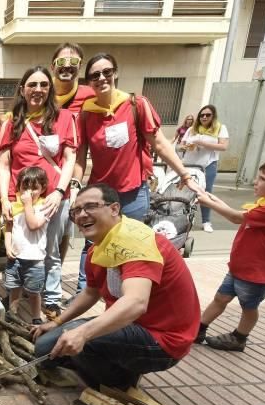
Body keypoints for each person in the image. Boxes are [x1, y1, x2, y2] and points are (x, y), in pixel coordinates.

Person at [32, 184, 200, 405]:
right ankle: (120, 365)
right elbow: (91, 292)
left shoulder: (136, 242)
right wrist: (57, 322)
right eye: (76, 211)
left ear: (114, 209)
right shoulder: (99, 249)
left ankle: (115, 388)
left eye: (91, 206)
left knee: (84, 340)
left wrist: (83, 332)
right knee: (45, 348)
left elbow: (136, 302)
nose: (82, 215)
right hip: (132, 327)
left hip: (164, 340)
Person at [73, 53, 203, 293]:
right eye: (95, 75)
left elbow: (161, 144)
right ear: (89, 82)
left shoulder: (135, 104)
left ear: (115, 73)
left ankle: (126, 295)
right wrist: (74, 185)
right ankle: (85, 292)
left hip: (133, 192)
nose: (101, 78)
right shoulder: (86, 113)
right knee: (93, 246)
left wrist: (185, 175)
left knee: (130, 247)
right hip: (100, 196)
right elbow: (80, 155)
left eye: (107, 72)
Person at [0, 65, 77, 319]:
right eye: (32, 85)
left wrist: (59, 191)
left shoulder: (64, 118)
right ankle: (16, 294)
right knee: (18, 248)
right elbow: (4, 164)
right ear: (22, 89)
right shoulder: (11, 122)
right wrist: (4, 199)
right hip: (20, 200)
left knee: (50, 251)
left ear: (50, 89)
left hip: (53, 199)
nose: (38, 90)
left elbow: (69, 157)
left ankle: (51, 299)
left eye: (44, 85)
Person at [194, 161, 265, 352]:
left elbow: (236, 217)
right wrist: (210, 197)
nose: (255, 182)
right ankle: (198, 329)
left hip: (256, 274)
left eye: (262, 179)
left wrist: (208, 202)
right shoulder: (262, 205)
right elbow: (240, 213)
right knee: (221, 298)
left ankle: (239, 338)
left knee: (248, 306)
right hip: (239, 268)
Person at [4, 167, 49, 325]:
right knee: (14, 288)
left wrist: (28, 204)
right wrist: (8, 246)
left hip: (35, 260)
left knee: (33, 292)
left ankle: (36, 317)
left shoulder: (44, 206)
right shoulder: (14, 206)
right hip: (15, 257)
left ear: (42, 188)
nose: (29, 192)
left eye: (34, 188)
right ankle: (12, 314)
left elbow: (33, 225)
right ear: (19, 187)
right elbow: (8, 228)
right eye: (25, 187)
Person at [181, 105, 229, 233]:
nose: (204, 117)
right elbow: (182, 145)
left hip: (208, 164)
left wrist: (202, 143)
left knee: (205, 192)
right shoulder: (192, 129)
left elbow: (223, 147)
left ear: (213, 116)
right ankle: (182, 218)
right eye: (202, 115)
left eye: (208, 115)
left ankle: (206, 221)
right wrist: (186, 147)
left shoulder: (220, 128)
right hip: (189, 163)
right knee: (185, 190)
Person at [50, 43, 96, 116]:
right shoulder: (42, 93)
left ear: (80, 66)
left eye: (74, 61)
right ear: (52, 67)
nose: (67, 65)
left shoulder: (90, 94)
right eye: (61, 61)